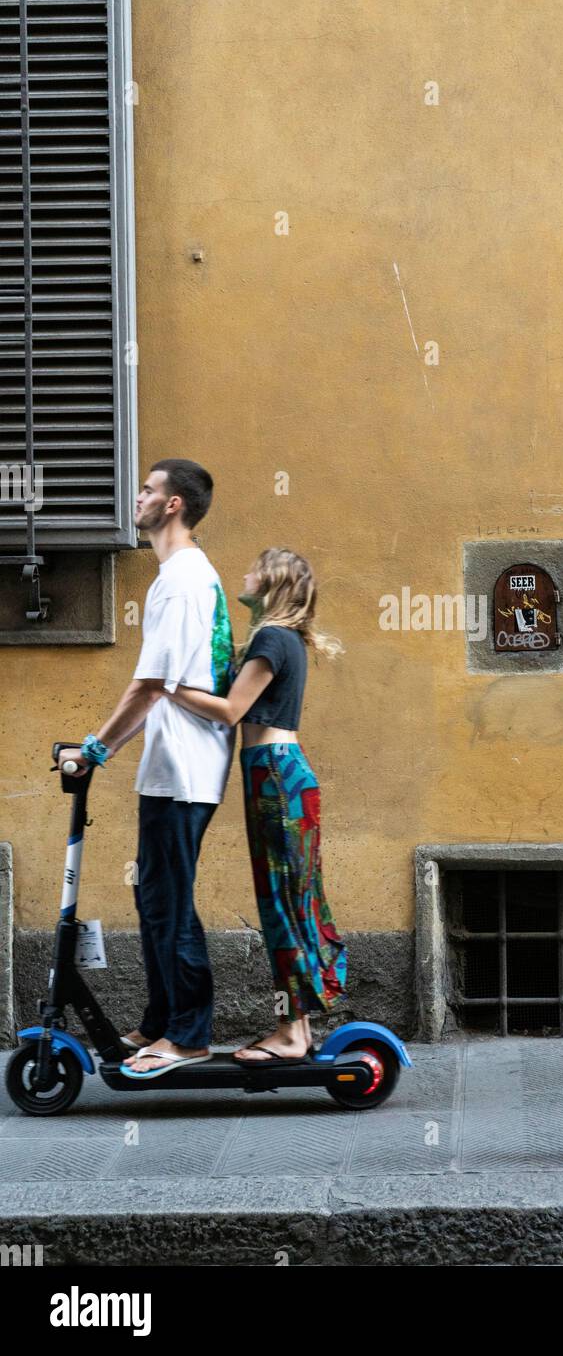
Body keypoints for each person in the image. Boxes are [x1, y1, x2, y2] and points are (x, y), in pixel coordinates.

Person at [58, 459, 235, 1078]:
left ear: (173, 506)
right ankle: (162, 1023)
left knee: (169, 902)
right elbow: (156, 691)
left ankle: (190, 1034)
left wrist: (94, 750)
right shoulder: (178, 576)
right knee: (155, 897)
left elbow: (149, 686)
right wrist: (101, 752)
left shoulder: (183, 580)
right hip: (172, 767)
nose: (136, 498)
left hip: (184, 771)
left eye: (148, 490)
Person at [164, 546, 350, 1062]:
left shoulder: (272, 638)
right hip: (279, 774)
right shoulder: (279, 638)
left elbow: (228, 711)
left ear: (271, 583)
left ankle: (291, 1034)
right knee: (291, 900)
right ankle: (298, 1028)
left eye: (252, 569)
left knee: (282, 905)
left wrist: (166, 686)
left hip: (274, 776)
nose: (241, 574)